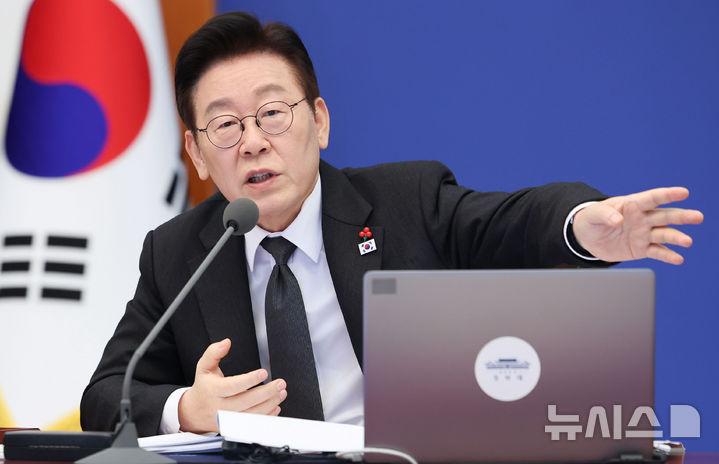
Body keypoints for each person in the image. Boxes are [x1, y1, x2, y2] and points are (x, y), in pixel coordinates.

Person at [80, 12, 703, 436]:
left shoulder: (406, 202)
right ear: (195, 153)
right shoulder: (179, 252)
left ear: (320, 121)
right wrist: (188, 408)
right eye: (225, 125)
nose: (252, 143)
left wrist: (583, 225)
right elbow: (107, 393)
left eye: (272, 113)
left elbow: (508, 222)